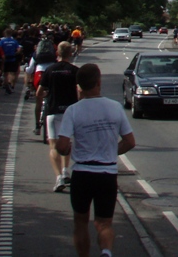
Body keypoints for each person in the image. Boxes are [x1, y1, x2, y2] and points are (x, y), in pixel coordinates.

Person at [56, 64, 135, 257]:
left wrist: (68, 148)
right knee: (104, 222)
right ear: (99, 83)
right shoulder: (115, 107)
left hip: (82, 173)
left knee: (81, 221)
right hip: (107, 173)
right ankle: (106, 252)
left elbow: (61, 146)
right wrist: (111, 152)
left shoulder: (73, 111)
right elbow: (130, 141)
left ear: (79, 86)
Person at [37, 41, 79, 192]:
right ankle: (65, 170)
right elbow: (80, 91)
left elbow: (39, 92)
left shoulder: (50, 70)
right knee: (66, 143)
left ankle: (58, 178)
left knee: (53, 146)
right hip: (70, 112)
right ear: (71, 53)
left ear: (57, 53)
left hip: (53, 110)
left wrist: (47, 94)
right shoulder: (75, 71)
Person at [0, 27, 23, 94]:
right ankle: (12, 86)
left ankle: (6, 86)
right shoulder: (14, 41)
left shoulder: (2, 41)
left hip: (5, 58)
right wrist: (15, 53)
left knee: (5, 74)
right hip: (12, 58)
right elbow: (19, 49)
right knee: (12, 73)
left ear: (5, 34)